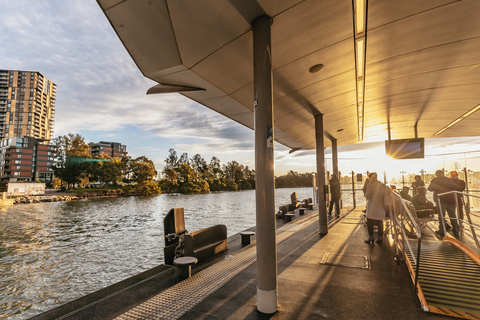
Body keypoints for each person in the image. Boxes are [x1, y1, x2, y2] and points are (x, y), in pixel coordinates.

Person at [427, 170, 459, 237]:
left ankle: (443, 231)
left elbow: (430, 189)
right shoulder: (449, 180)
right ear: (443, 174)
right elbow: (456, 188)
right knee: (453, 216)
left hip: (441, 200)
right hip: (451, 200)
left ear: (436, 174)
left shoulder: (435, 180)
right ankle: (456, 231)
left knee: (442, 216)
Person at [364, 172, 386, 244]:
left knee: (369, 221)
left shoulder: (370, 185)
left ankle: (371, 237)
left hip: (372, 205)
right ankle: (380, 237)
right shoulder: (382, 185)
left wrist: (365, 191)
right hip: (381, 205)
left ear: (370, 178)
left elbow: (368, 196)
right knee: (380, 222)